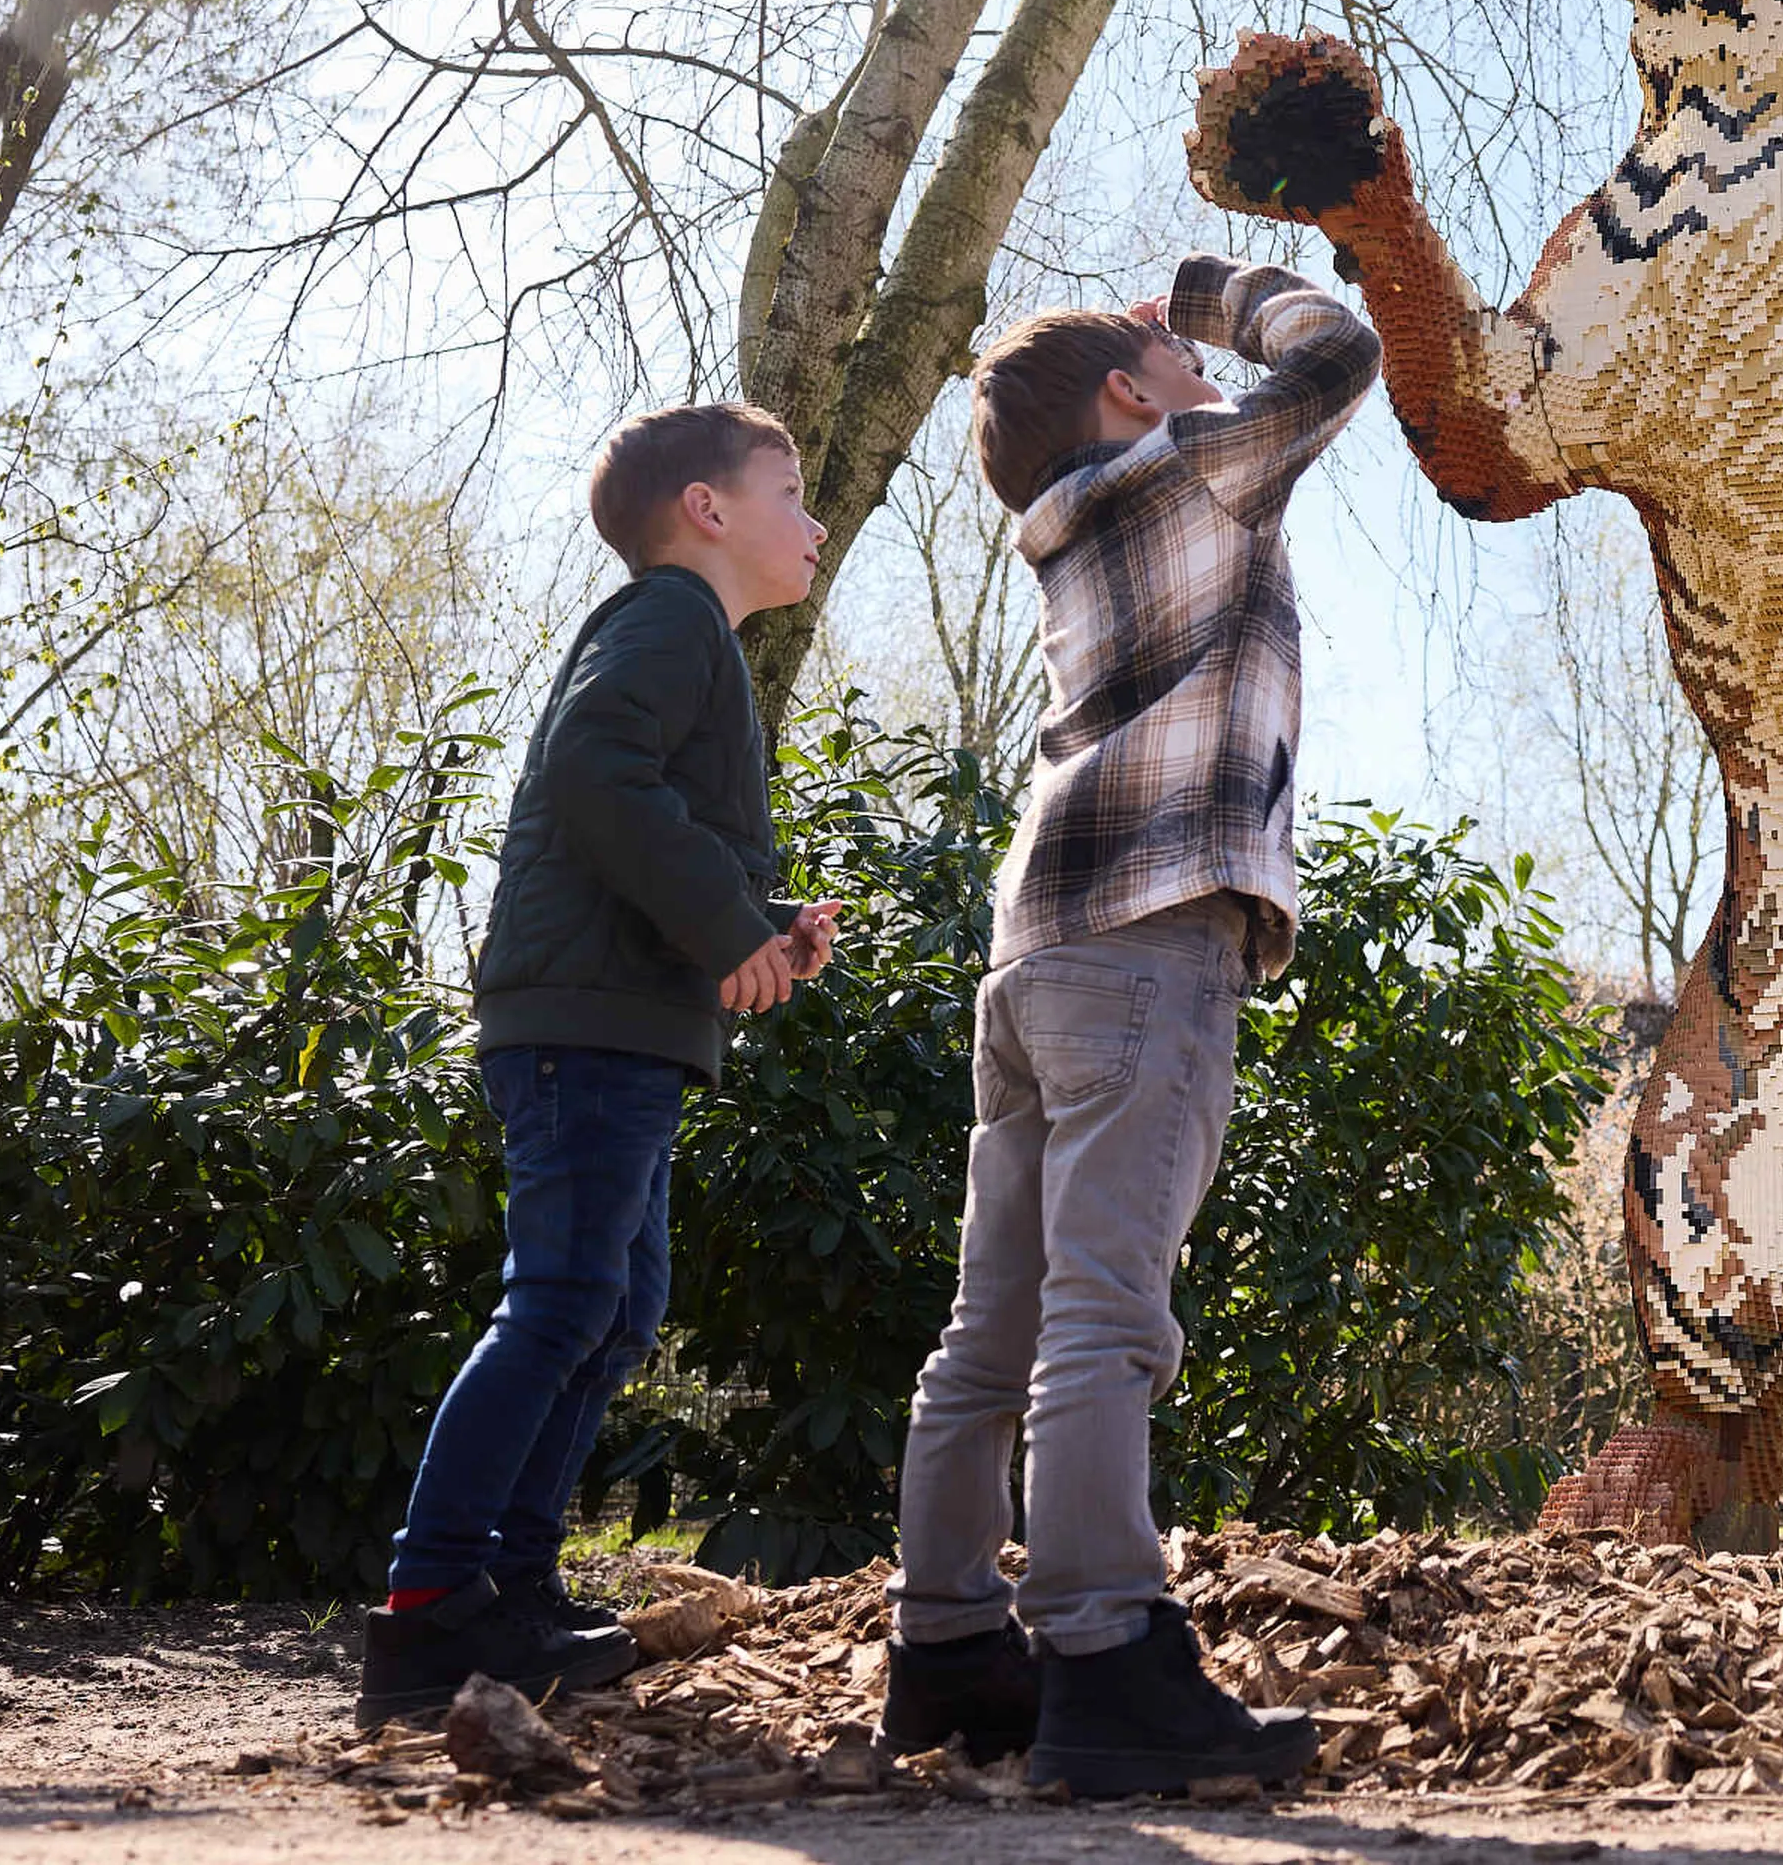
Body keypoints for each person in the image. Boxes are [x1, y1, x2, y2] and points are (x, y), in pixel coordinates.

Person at [878, 253, 1378, 1797]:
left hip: (1034, 953)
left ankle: (951, 1644)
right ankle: (1104, 1656)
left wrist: (1165, 350)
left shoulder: (1064, 530)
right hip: (1151, 940)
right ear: (1128, 393)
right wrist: (1213, 292)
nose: (1198, 376)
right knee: (1105, 1314)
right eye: (1167, 362)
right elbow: (1337, 356)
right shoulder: (1183, 477)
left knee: (998, 1324)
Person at [356, 404, 839, 1728]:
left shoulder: (695, 648)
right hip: (584, 1026)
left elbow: (664, 820)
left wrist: (765, 929)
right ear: (707, 509)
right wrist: (723, 924)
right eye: (790, 490)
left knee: (615, 1309)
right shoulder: (669, 620)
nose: (814, 519)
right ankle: (426, 1611)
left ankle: (508, 1592)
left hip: (623, 1024)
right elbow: (592, 770)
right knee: (563, 1300)